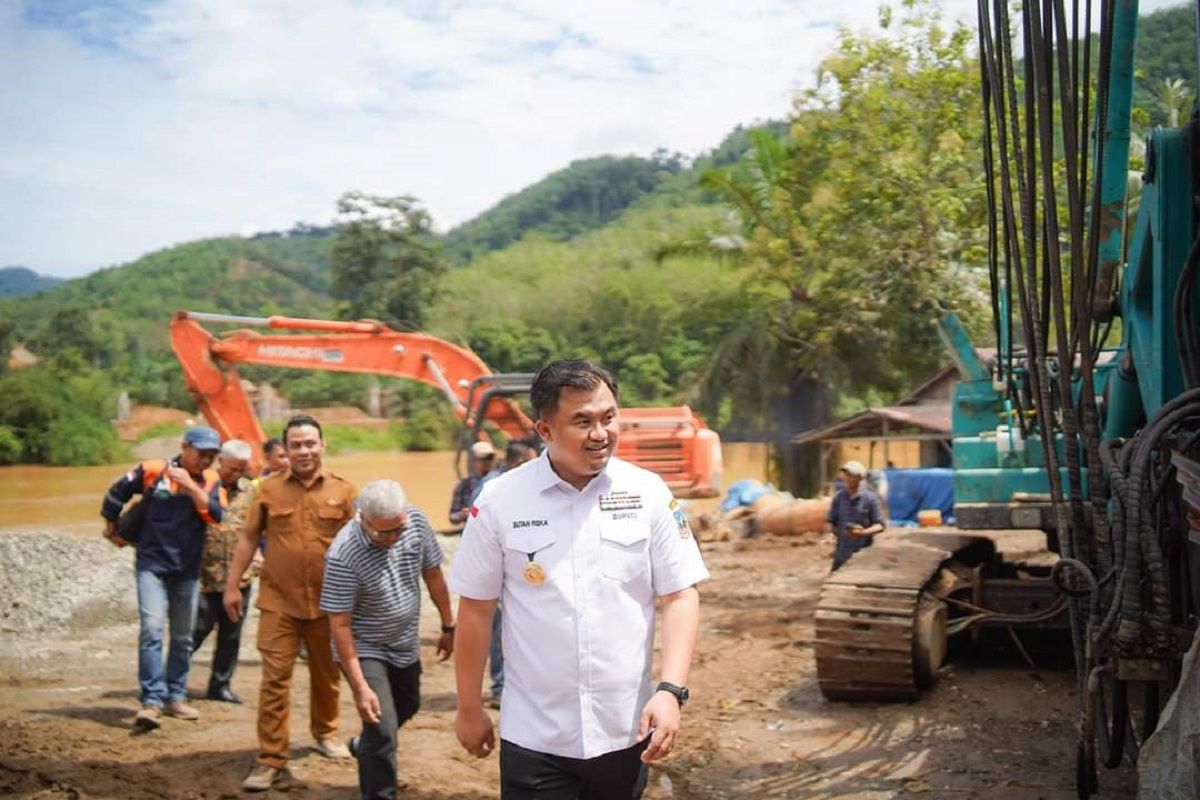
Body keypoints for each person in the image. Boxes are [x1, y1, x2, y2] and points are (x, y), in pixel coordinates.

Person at [450, 359, 709, 799]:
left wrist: (670, 690)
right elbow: (475, 609)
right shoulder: (499, 502)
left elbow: (680, 594)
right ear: (545, 430)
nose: (600, 433)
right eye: (583, 421)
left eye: (609, 418)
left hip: (625, 731)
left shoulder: (646, 494)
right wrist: (469, 707)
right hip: (536, 736)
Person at [223, 415, 357, 792]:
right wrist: (233, 586)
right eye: (296, 445)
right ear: (285, 450)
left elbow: (359, 547)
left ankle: (326, 733)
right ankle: (270, 759)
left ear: (322, 445)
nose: (304, 451)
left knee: (327, 675)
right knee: (275, 680)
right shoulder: (266, 490)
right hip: (278, 601)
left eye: (310, 443)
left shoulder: (344, 491)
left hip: (328, 604)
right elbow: (249, 538)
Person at [320, 479, 455, 800]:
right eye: (383, 533)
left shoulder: (416, 522)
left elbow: (433, 574)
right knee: (382, 729)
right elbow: (339, 626)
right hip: (365, 647)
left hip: (404, 641)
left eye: (398, 529)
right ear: (362, 518)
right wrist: (360, 687)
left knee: (408, 705)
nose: (393, 538)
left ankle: (363, 746)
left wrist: (449, 625)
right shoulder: (343, 555)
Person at [101, 425, 224, 731]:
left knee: (183, 637)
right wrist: (111, 526)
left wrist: (190, 486)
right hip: (151, 565)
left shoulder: (211, 481)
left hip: (187, 569)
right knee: (153, 630)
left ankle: (176, 697)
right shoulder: (153, 470)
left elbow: (216, 515)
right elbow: (116, 493)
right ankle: (151, 701)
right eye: (200, 454)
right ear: (185, 447)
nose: (205, 461)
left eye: (211, 456)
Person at [192, 439, 259, 704]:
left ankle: (220, 685)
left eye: (241, 469)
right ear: (221, 461)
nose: (236, 474)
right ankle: (169, 682)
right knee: (196, 631)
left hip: (239, 577)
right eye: (232, 468)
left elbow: (258, 528)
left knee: (231, 636)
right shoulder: (202, 486)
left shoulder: (251, 491)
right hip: (205, 576)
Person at [472, 440, 539, 709]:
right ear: (517, 462)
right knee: (499, 631)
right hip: (500, 571)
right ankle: (500, 686)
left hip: (528, 568)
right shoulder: (493, 490)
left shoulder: (534, 485)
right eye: (531, 461)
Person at [824, 460, 885, 571]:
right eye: (846, 475)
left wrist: (863, 533)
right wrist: (831, 534)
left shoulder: (870, 498)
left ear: (860, 478)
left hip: (862, 555)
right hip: (841, 554)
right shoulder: (839, 497)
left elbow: (880, 525)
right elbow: (831, 521)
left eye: (851, 476)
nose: (847, 479)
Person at [448, 441, 496, 527]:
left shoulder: (500, 482)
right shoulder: (463, 486)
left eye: (490, 457)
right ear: (474, 460)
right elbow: (452, 517)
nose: (487, 461)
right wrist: (463, 514)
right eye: (484, 458)